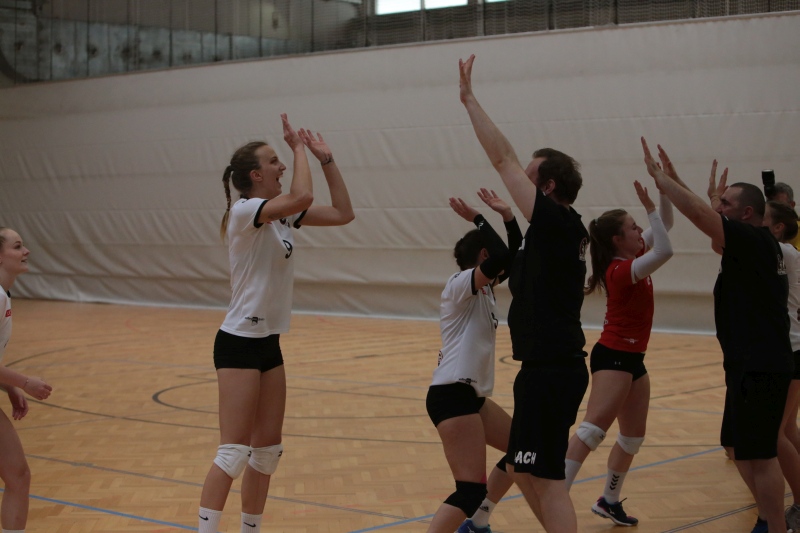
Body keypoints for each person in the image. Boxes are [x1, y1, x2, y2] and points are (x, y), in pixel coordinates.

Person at [197, 114, 354, 533]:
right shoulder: (246, 211)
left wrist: (326, 160)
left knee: (267, 453)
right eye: (274, 161)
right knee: (233, 453)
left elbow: (343, 213)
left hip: (268, 341)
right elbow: (302, 196)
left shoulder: (280, 216)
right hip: (238, 341)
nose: (281, 166)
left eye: (282, 159)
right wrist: (299, 148)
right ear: (256, 175)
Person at [458, 54, 589, 533]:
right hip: (546, 368)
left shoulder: (556, 223)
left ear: (547, 187)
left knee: (547, 480)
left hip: (553, 370)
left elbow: (502, 159)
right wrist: (497, 219)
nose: (518, 183)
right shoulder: (553, 232)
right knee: (521, 467)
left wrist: (469, 101)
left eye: (528, 178)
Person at [643, 139, 792, 533]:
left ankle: (776, 525)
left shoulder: (754, 241)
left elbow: (699, 217)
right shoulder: (746, 244)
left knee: (762, 455)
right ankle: (767, 519)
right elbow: (709, 223)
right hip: (745, 363)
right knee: (740, 450)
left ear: (747, 213)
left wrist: (663, 181)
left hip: (762, 365)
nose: (717, 207)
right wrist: (677, 180)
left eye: (725, 203)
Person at [564, 180, 674, 527]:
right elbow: (666, 250)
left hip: (632, 358)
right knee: (591, 432)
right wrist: (651, 208)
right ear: (617, 239)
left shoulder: (635, 257)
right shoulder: (620, 270)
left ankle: (609, 501)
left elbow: (666, 226)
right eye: (633, 227)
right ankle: (554, 495)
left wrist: (663, 189)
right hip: (613, 355)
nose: (640, 231)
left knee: (632, 437)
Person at [424, 189, 520, 533]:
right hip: (451, 394)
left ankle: (477, 524)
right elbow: (503, 255)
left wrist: (508, 216)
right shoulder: (460, 284)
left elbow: (513, 256)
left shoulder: (486, 290)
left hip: (471, 397)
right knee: (469, 490)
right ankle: (470, 519)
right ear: (483, 255)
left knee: (522, 449)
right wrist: (478, 218)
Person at [0, 227, 53, 533]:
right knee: (17, 475)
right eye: (18, 246)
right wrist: (23, 382)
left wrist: (8, 386)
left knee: (18, 476)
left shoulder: (4, 294)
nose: (26, 251)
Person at [760, 201, 800, 531]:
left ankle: (799, 505)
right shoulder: (787, 253)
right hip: (793, 347)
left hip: (791, 349)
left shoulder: (782, 252)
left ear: (778, 228)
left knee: (774, 435)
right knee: (788, 429)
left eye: (764, 219)